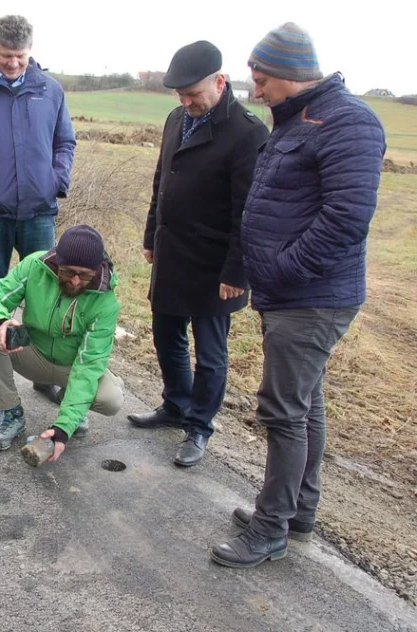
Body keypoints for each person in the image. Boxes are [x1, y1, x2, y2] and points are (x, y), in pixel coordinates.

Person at [210, 23, 385, 569]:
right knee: (304, 403)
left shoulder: (349, 123)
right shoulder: (295, 123)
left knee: (283, 410)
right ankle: (296, 510)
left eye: (261, 81)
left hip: (311, 295)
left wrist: (283, 271)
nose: (255, 91)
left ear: (289, 76)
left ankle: (269, 529)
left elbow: (346, 219)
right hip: (292, 295)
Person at [127, 41, 269, 467]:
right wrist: (152, 235)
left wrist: (236, 271)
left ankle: (199, 427)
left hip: (215, 265)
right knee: (166, 335)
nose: (187, 102)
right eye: (181, 95)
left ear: (219, 82)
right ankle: (175, 405)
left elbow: (249, 209)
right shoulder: (176, 119)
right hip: (173, 254)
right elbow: (161, 184)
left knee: (210, 352)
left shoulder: (247, 132)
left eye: (194, 93)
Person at [0, 14, 76, 415]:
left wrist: (56, 180)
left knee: (47, 298)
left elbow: (65, 142)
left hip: (39, 212)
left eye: (20, 56)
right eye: (6, 55)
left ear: (30, 51)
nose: (13, 63)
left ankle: (45, 375)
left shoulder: (50, 90)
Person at [0, 225, 124, 457]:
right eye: (68, 272)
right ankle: (12, 412)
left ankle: (72, 404)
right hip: (34, 355)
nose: (75, 281)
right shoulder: (35, 266)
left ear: (97, 270)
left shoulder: (106, 302)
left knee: (111, 400)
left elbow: (89, 364)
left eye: (85, 275)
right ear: (57, 263)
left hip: (72, 367)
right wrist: (0, 321)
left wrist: (64, 427)